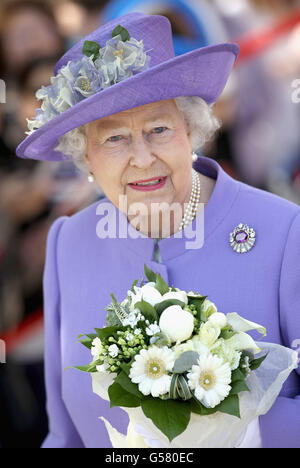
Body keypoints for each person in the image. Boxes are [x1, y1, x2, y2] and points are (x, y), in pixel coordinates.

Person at [16, 12, 300, 448]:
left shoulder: (283, 233)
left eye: (159, 129)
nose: (142, 157)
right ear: (85, 157)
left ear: (191, 129)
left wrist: (242, 432)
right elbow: (64, 434)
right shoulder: (68, 244)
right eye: (114, 139)